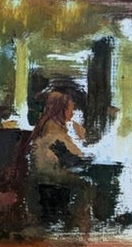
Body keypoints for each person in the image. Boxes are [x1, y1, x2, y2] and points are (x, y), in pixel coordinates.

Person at [29, 90, 91, 230]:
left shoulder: (52, 125)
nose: (72, 113)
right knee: (85, 182)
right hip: (48, 173)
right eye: (70, 109)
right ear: (60, 110)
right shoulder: (53, 128)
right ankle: (77, 221)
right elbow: (73, 152)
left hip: (48, 170)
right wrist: (80, 138)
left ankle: (75, 220)